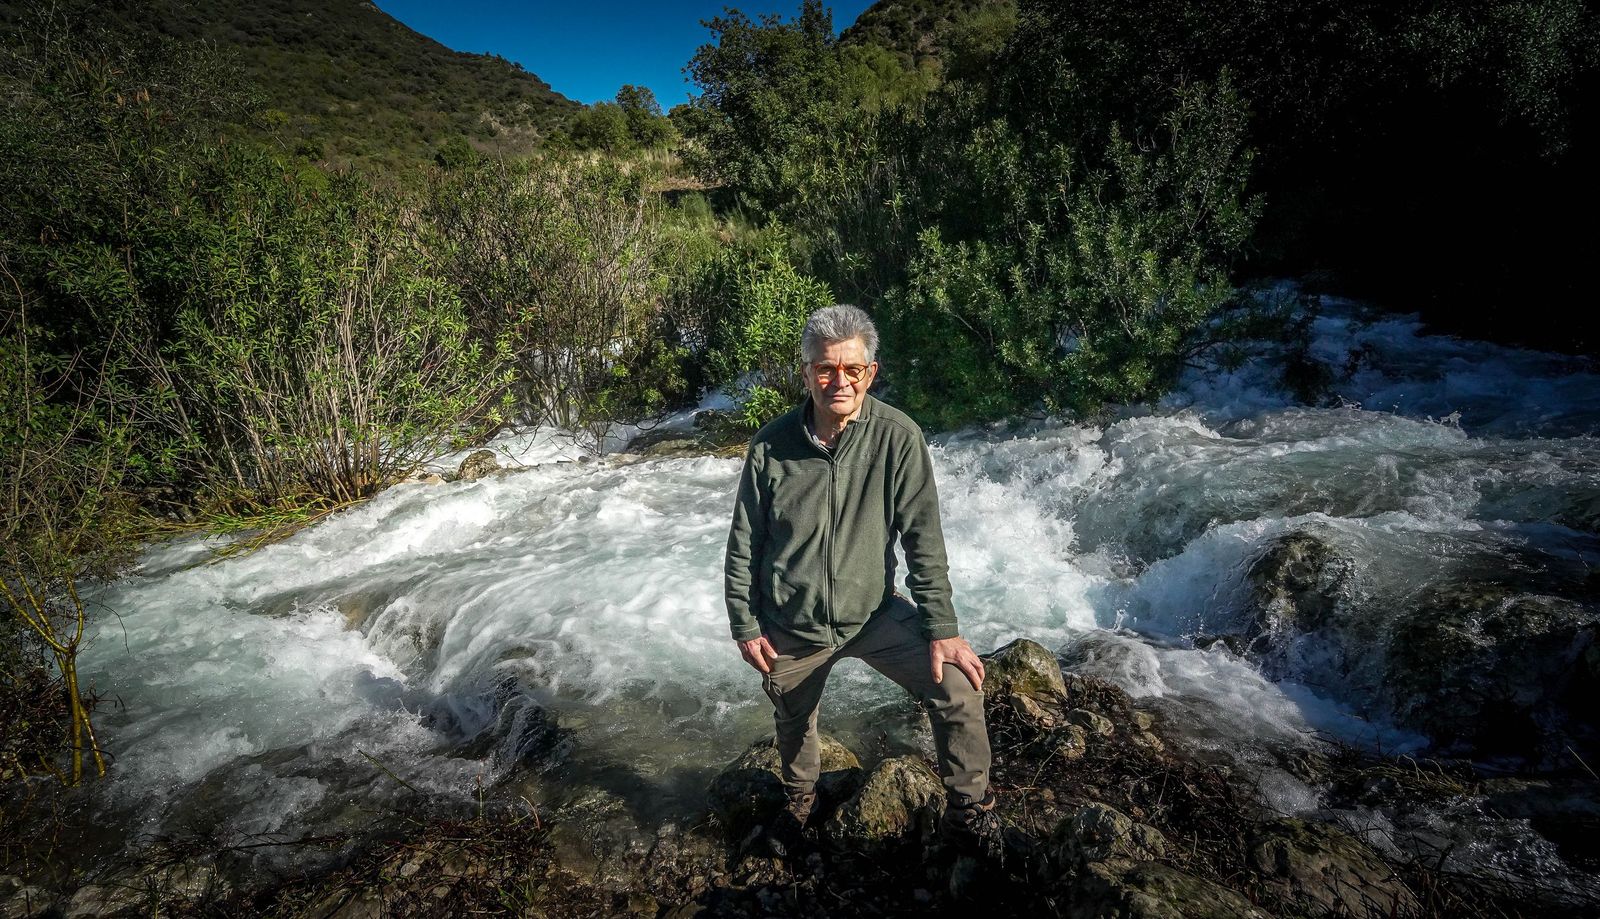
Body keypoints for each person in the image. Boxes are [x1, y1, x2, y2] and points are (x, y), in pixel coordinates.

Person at [723, 304, 999, 855]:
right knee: (793, 720)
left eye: (852, 369)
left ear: (870, 372)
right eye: (825, 369)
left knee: (960, 690)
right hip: (791, 623)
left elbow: (924, 539)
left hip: (874, 615)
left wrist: (942, 626)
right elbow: (744, 544)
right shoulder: (771, 447)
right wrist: (744, 623)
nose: (839, 381)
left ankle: (969, 815)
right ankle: (801, 798)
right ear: (806, 373)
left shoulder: (898, 438)